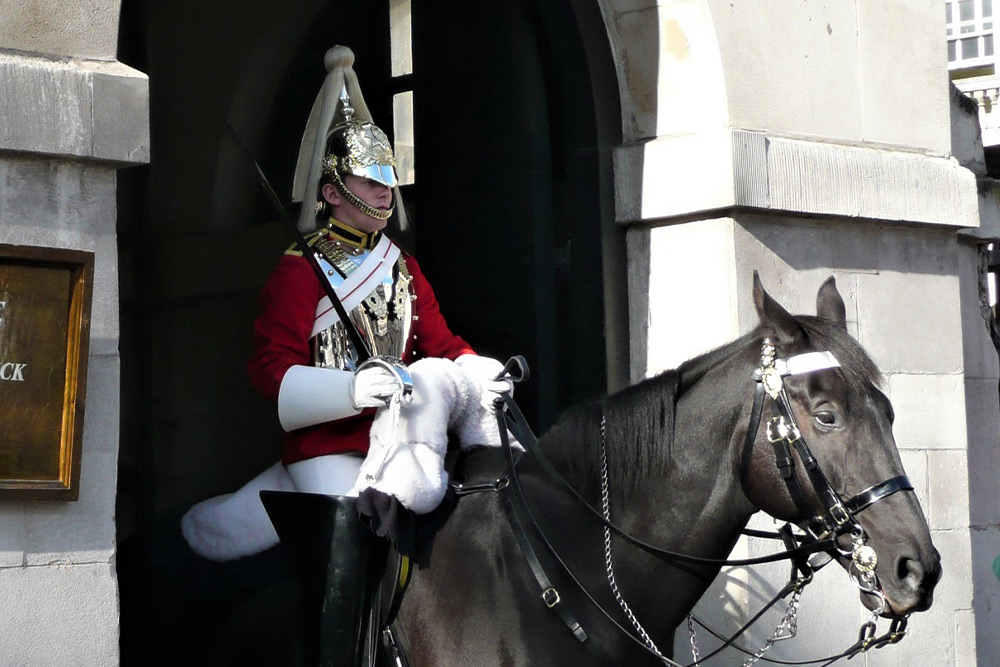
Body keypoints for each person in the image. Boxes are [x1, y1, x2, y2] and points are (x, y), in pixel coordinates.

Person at [181, 46, 510, 665]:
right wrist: (351, 390)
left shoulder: (404, 266)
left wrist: (475, 369)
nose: (384, 192)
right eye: (368, 181)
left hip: (406, 438)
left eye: (388, 180)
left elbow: (438, 342)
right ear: (332, 191)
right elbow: (270, 370)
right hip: (328, 446)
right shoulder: (301, 270)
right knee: (357, 530)